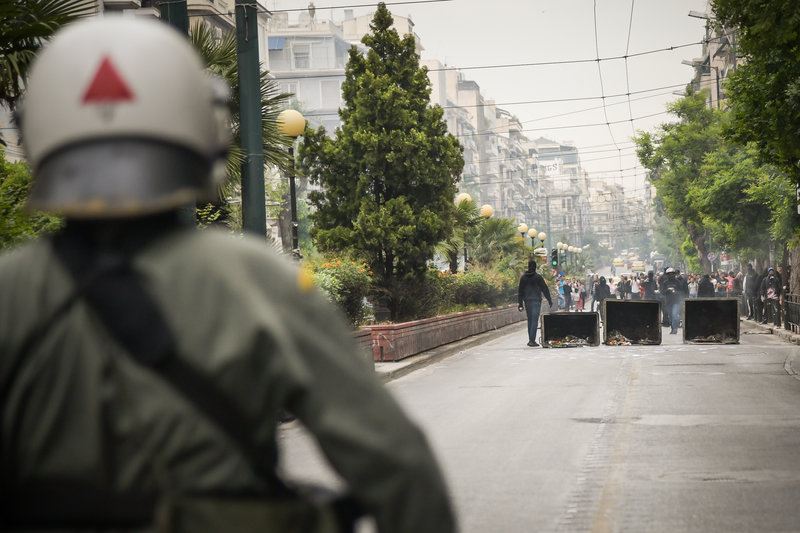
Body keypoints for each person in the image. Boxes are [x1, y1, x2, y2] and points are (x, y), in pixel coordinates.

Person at [0, 18, 455, 533]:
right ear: (202, 131)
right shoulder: (258, 281)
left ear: (36, 133)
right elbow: (399, 467)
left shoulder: (11, 291)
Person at [518, 259, 554, 347]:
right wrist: (549, 300)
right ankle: (532, 340)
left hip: (527, 301)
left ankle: (531, 339)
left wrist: (520, 304)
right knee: (534, 320)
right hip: (536, 301)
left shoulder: (523, 277)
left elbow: (520, 291)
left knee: (530, 320)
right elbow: (544, 289)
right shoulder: (538, 277)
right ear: (535, 267)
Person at [661, 268, 686, 335]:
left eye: (672, 274)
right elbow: (662, 292)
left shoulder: (677, 282)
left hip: (676, 301)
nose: (671, 275)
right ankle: (672, 328)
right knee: (670, 316)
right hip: (668, 301)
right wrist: (667, 290)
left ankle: (675, 328)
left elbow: (682, 291)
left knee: (674, 315)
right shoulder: (665, 283)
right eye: (669, 274)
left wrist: (676, 292)